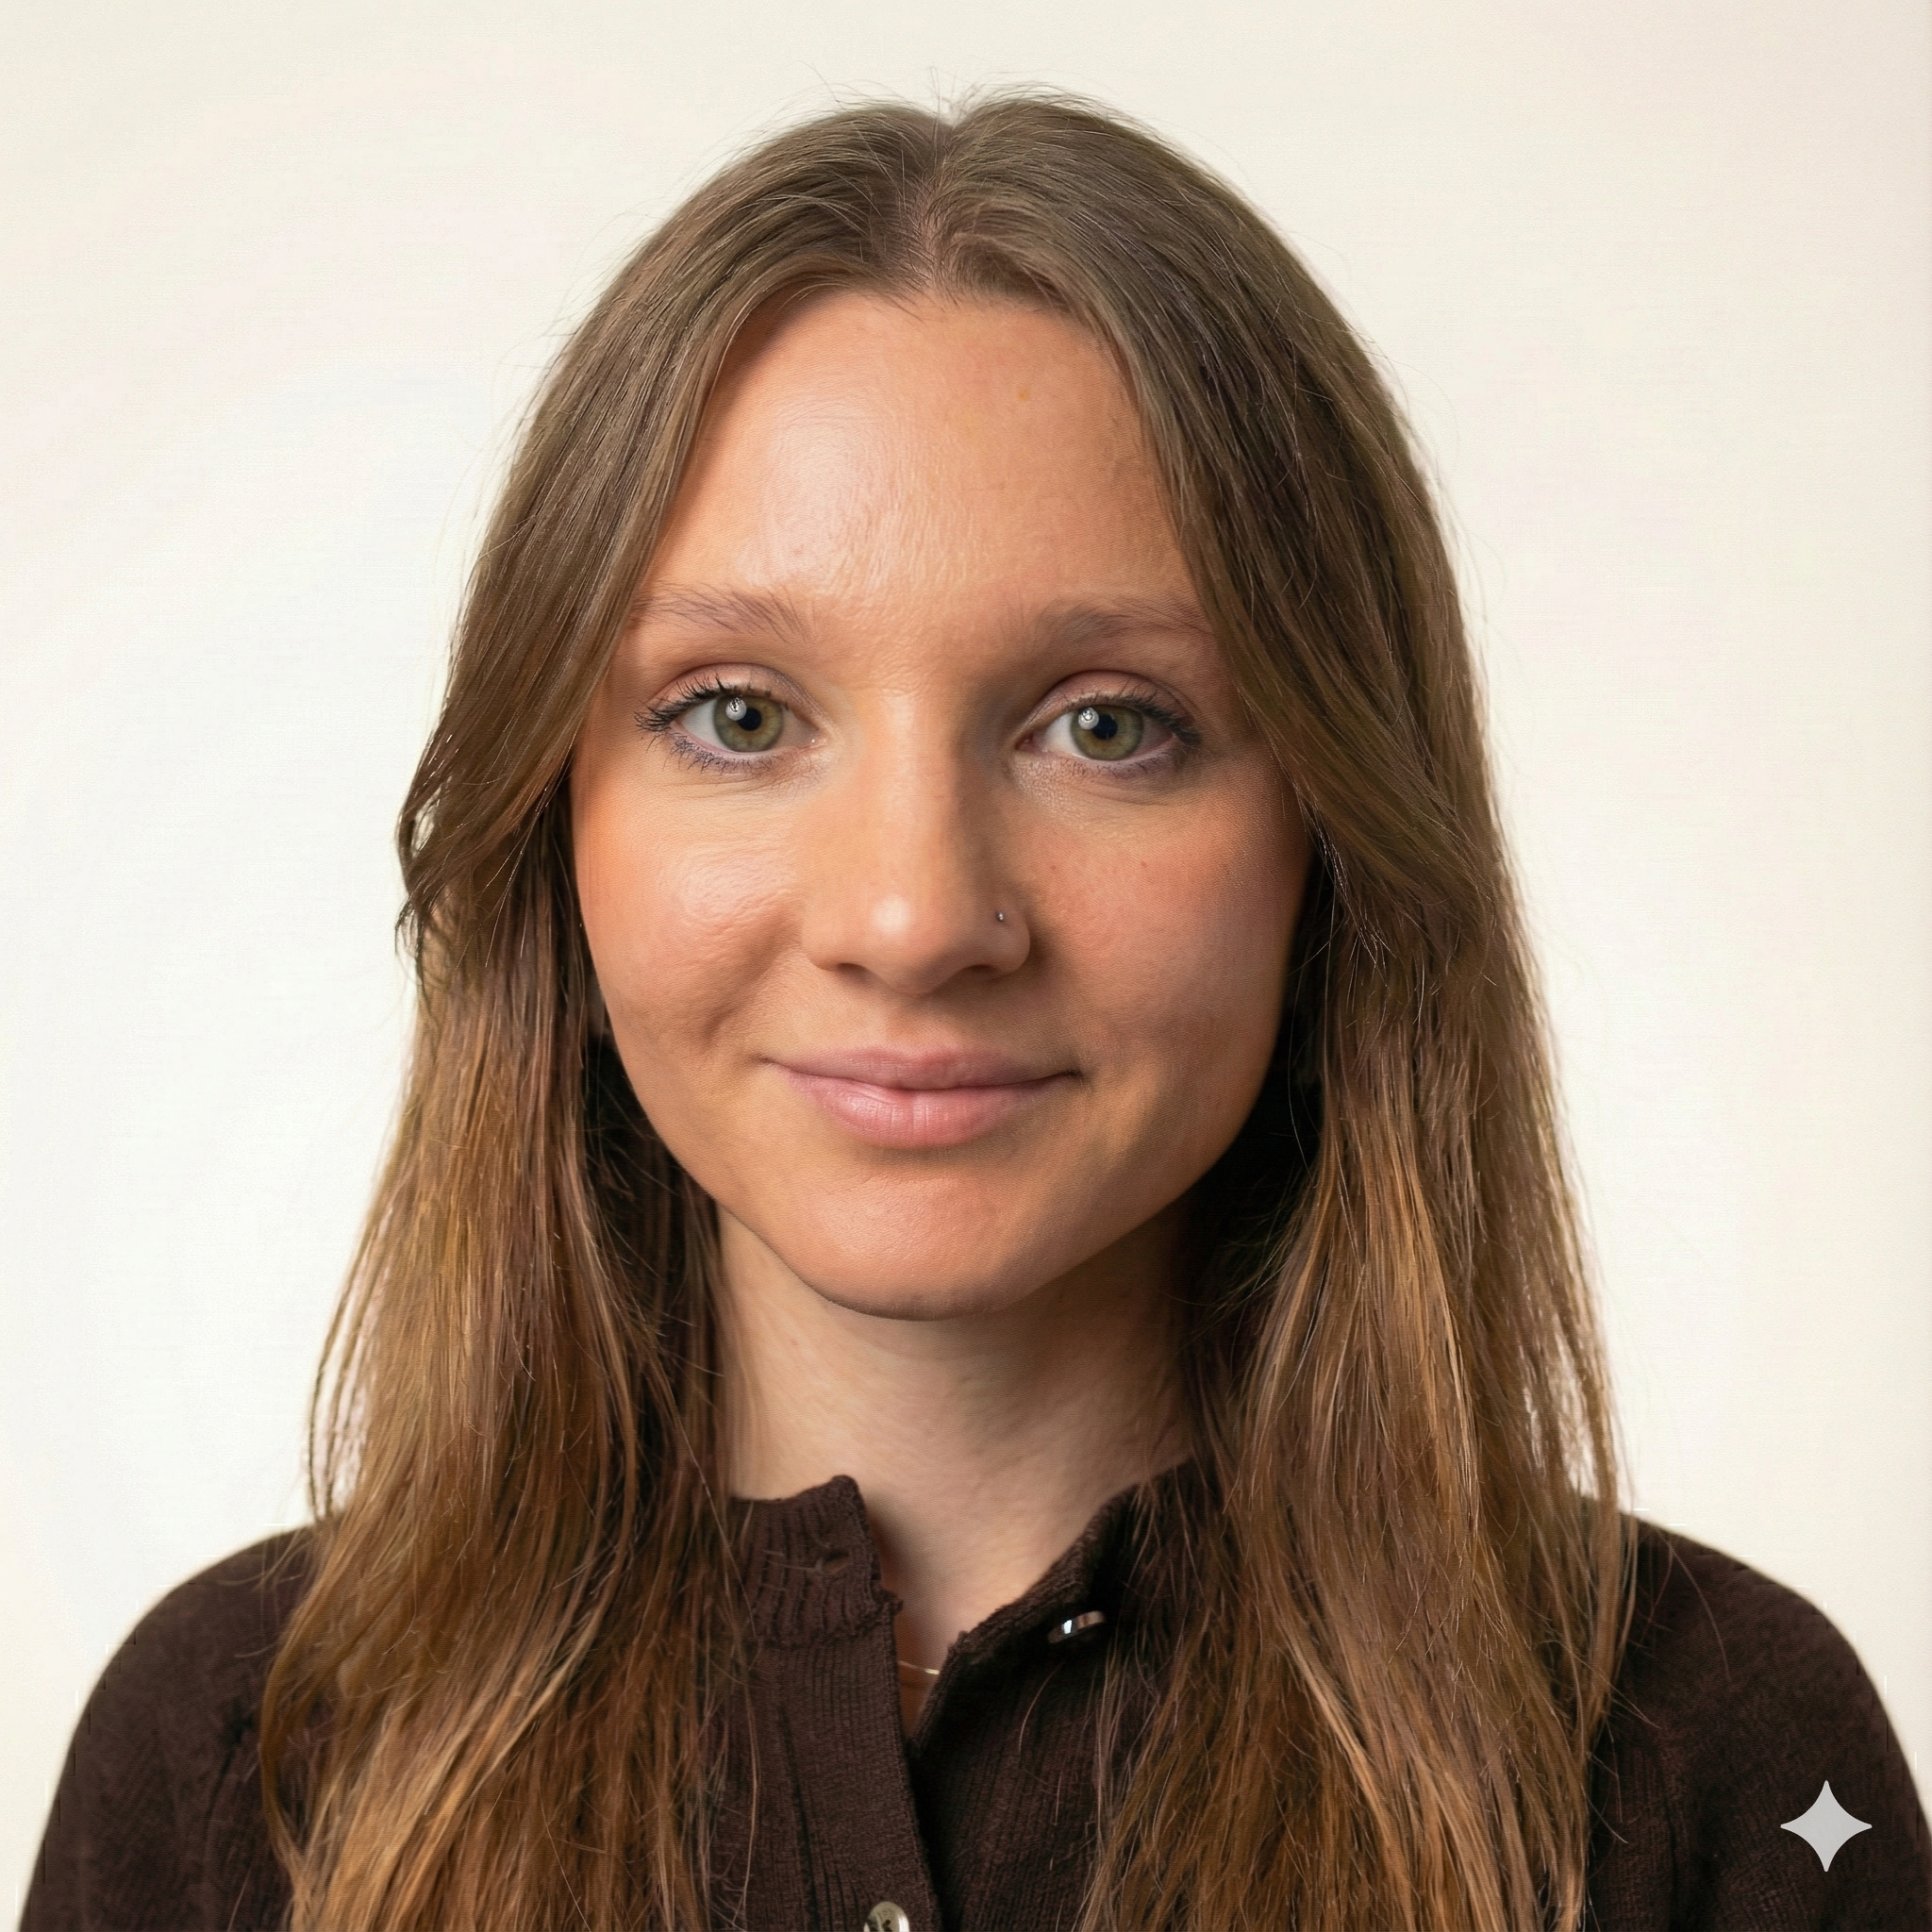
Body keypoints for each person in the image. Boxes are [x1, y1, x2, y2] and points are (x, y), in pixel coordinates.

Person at [21, 93, 1929, 1932]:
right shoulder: (243, 1752)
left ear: (1333, 837)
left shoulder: (1715, 1759)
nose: (916, 916)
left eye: (1107, 725)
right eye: (741, 717)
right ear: (554, 825)